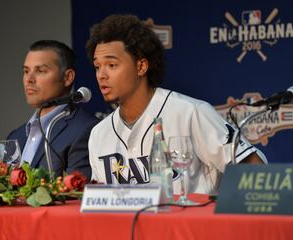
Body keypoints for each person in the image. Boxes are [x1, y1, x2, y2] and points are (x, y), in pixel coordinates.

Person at [86, 14, 266, 194]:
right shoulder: (99, 134)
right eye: (97, 67)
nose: (101, 75)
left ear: (141, 66)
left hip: (191, 222)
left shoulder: (190, 112)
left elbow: (255, 170)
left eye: (111, 65)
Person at [8, 40, 98, 180]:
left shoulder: (86, 130)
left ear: (68, 77)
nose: (29, 79)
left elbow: (76, 195)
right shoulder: (15, 136)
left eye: (41, 71)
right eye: (26, 71)